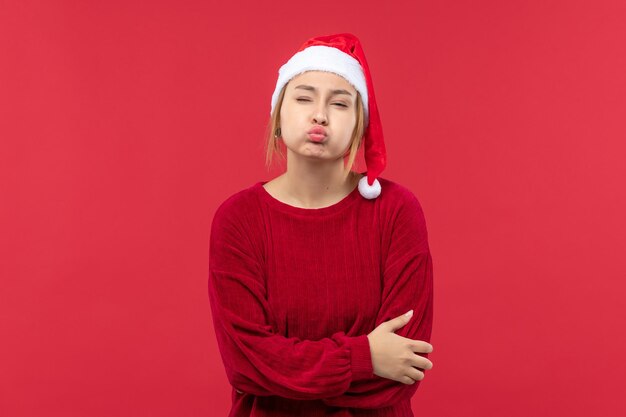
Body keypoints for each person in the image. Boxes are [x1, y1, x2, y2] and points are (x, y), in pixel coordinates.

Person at [208, 32, 434, 416]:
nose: (320, 114)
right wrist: (364, 357)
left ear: (360, 124)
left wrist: (292, 372)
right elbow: (246, 365)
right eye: (303, 97)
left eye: (340, 103)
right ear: (278, 114)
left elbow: (402, 366)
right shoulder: (238, 219)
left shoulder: (396, 211)